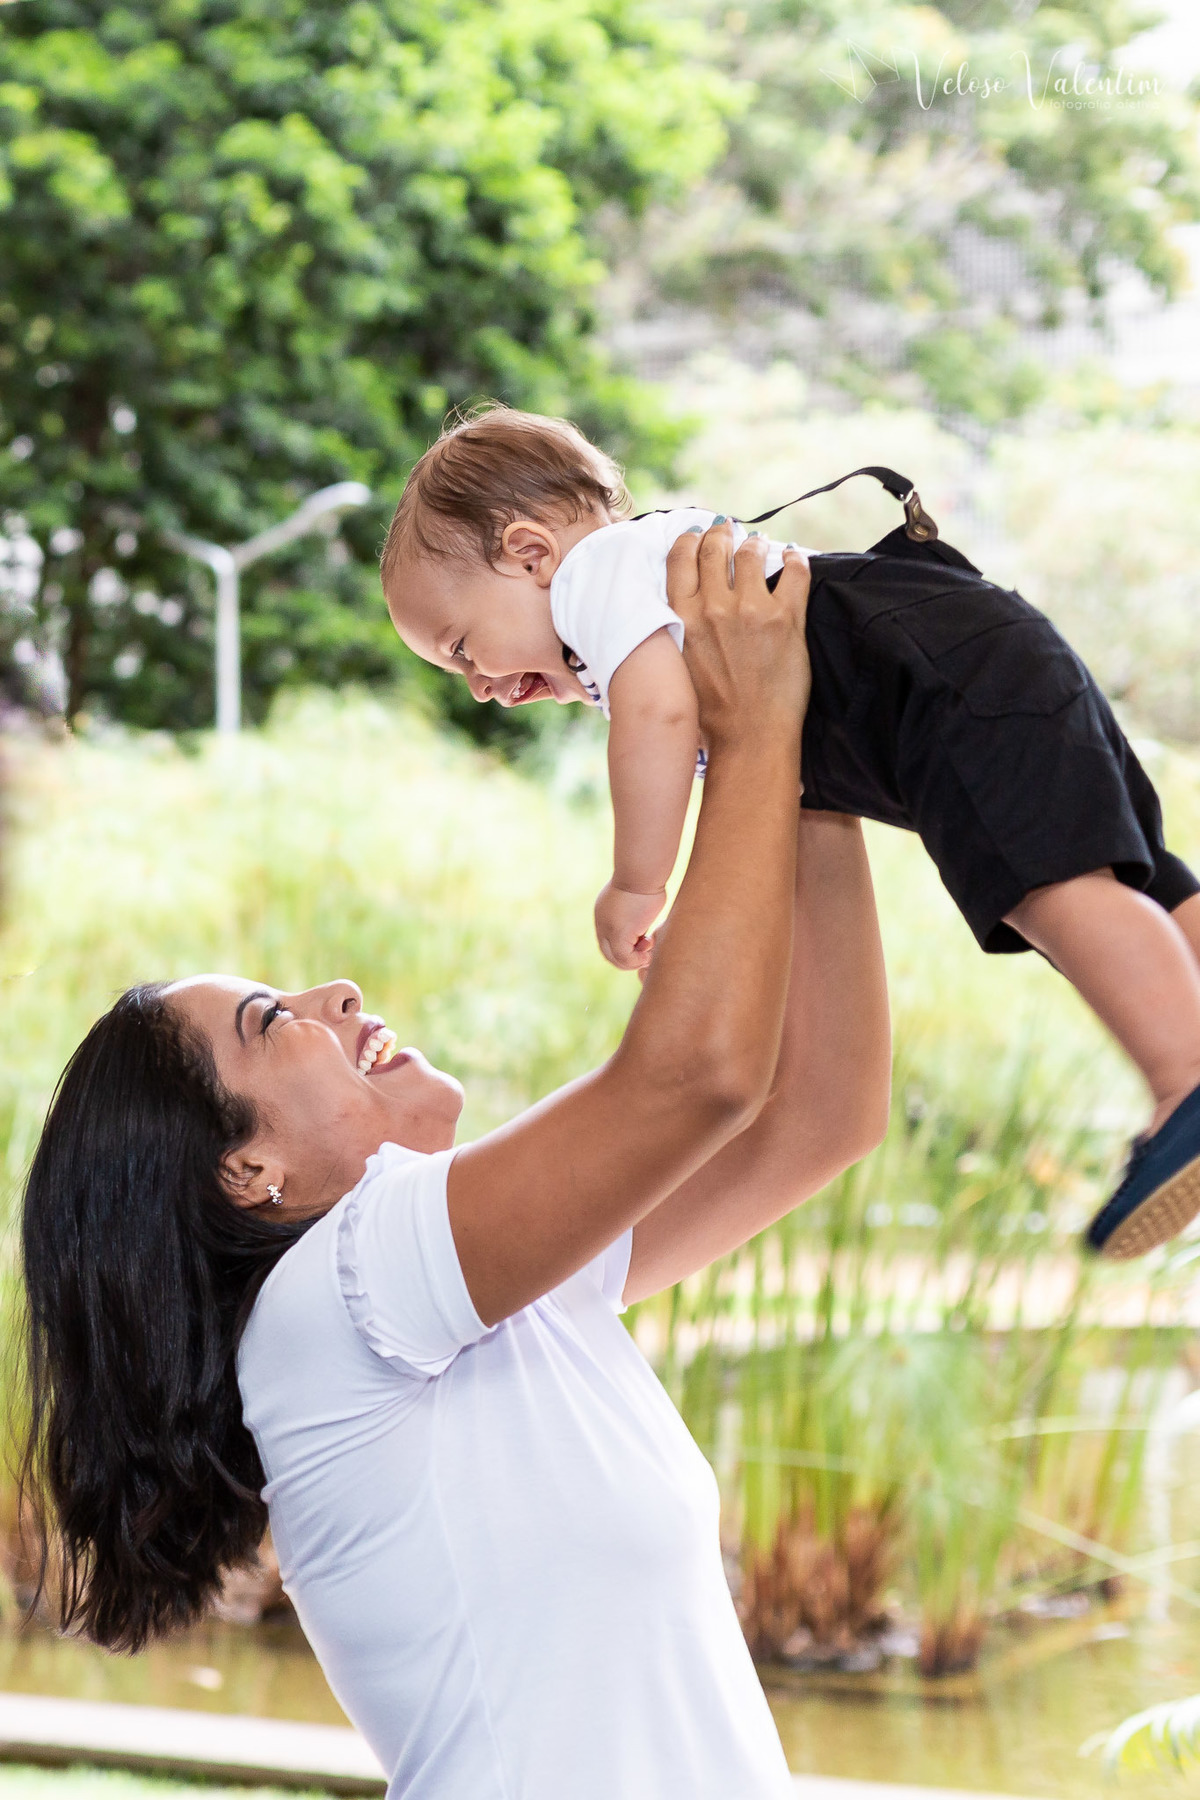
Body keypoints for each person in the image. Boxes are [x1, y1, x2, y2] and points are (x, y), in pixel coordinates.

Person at [19, 526, 892, 1800]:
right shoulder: (338, 1298)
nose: (337, 993)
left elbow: (821, 1112)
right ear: (246, 1174)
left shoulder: (488, 1287)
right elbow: (694, 1078)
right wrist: (750, 740)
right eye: (275, 1023)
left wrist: (809, 762)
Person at [380, 403, 1200, 1262]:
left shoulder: (598, 582)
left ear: (529, 552)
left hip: (937, 683)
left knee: (1052, 890)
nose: (478, 686)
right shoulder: (649, 572)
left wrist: (637, 881)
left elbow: (656, 721)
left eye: (465, 647)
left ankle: (1183, 1081)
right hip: (970, 650)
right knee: (1130, 883)